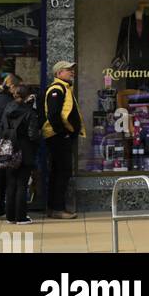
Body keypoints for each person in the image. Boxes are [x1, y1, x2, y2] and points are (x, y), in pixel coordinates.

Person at [43, 60, 84, 220]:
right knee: (62, 172)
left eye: (72, 70)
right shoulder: (56, 90)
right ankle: (58, 209)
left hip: (59, 137)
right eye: (68, 70)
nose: (72, 72)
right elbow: (53, 115)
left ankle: (53, 208)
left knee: (58, 172)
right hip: (58, 138)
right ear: (59, 73)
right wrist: (63, 133)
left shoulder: (64, 89)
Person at [0, 85, 42, 225]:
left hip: (8, 149)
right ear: (27, 96)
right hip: (24, 150)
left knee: (11, 183)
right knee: (22, 184)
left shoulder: (7, 109)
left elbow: (1, 129)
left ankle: (10, 216)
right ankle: (21, 216)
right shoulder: (30, 112)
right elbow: (33, 135)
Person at [0, 73, 22, 220]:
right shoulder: (8, 101)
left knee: (0, 175)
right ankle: (2, 210)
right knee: (7, 176)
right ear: (13, 87)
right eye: (18, 87)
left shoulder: (1, 98)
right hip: (6, 141)